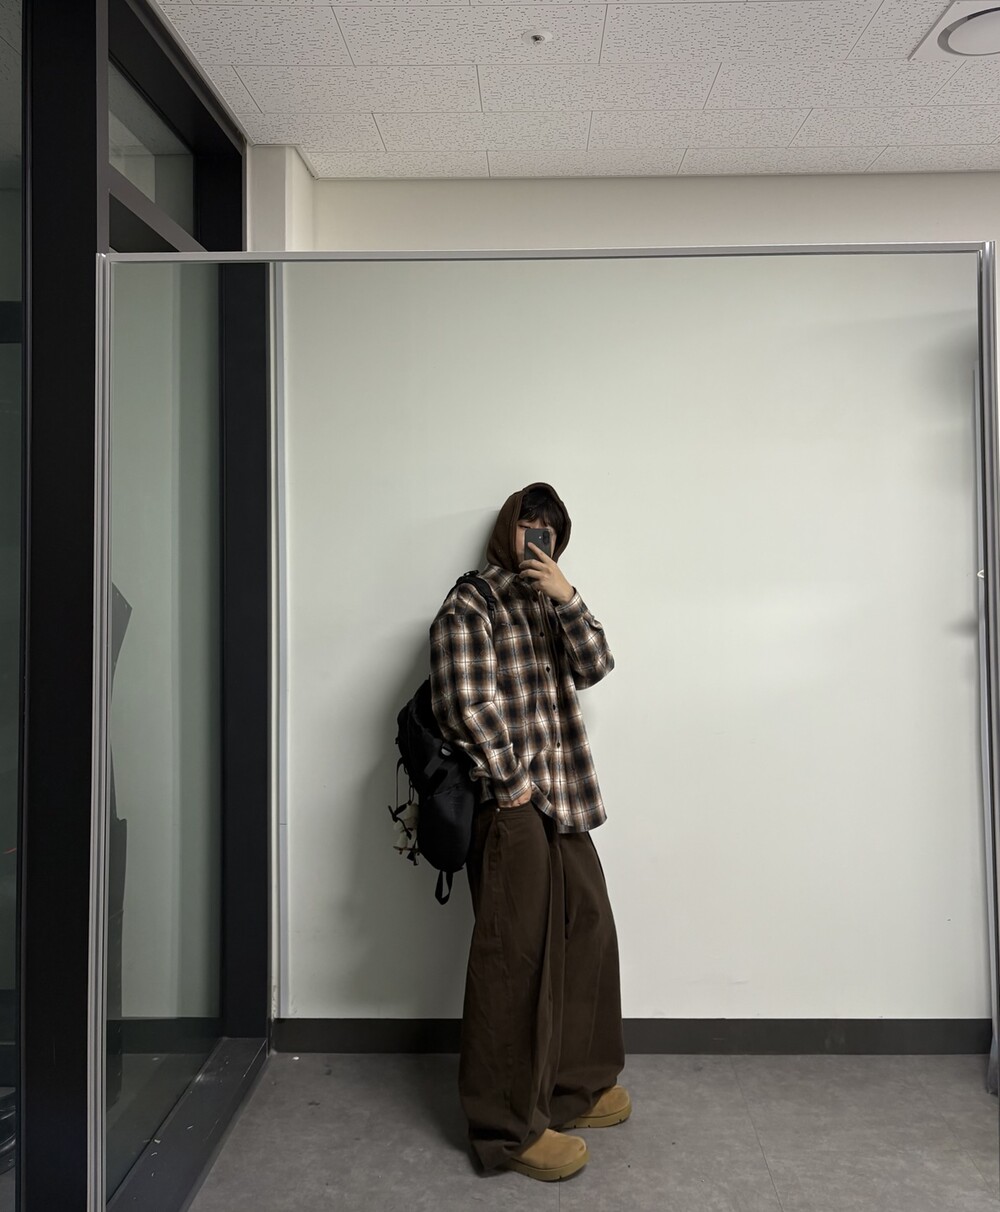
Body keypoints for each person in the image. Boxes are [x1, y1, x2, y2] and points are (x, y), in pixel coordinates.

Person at [429, 481, 628, 1182]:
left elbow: (596, 666)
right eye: (527, 522)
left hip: (563, 798)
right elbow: (462, 702)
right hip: (511, 804)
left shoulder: (551, 604)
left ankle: (573, 1088)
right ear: (505, 529)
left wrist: (568, 598)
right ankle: (506, 1128)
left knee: (587, 929)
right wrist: (511, 782)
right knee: (514, 960)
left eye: (549, 527)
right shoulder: (472, 601)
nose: (537, 535)